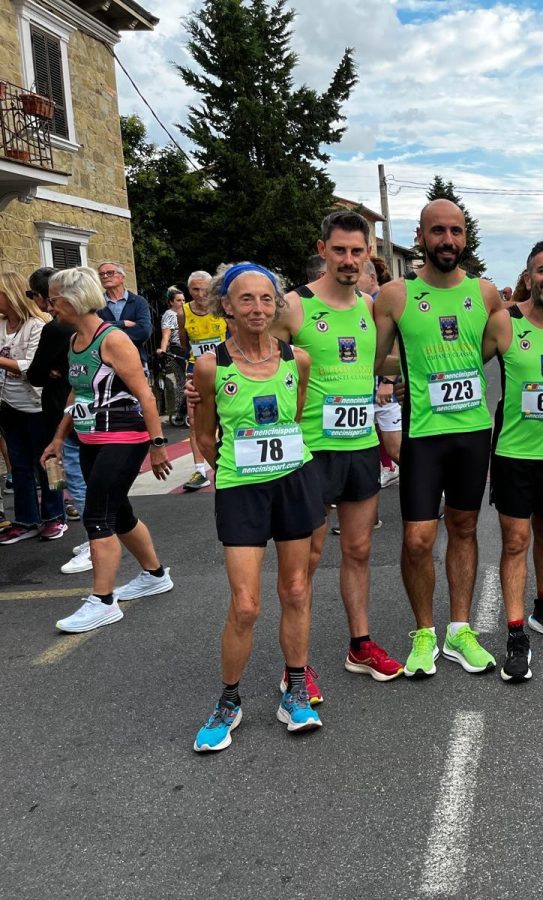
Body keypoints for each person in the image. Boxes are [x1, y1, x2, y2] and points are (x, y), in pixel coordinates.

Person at [191, 262, 325, 751]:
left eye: (266, 299)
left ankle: (295, 690)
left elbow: (295, 416)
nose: (258, 308)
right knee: (246, 605)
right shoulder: (210, 367)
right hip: (241, 490)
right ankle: (229, 700)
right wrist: (234, 470)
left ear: (277, 305)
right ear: (226, 305)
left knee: (296, 590)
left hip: (293, 481)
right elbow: (205, 436)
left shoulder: (297, 360)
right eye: (246, 299)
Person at [274, 210, 403, 693]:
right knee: (305, 561)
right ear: (322, 250)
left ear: (369, 252)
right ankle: (296, 668)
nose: (349, 260)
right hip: (309, 451)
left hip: (361, 446)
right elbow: (256, 362)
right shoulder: (294, 306)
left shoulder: (372, 307)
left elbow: (387, 360)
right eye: (340, 250)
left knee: (359, 549)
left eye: (357, 251)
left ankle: (360, 644)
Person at [374, 199, 501, 676]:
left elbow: (491, 350)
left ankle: (459, 630)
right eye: (438, 231)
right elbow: (375, 360)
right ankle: (424, 632)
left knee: (464, 528)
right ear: (421, 236)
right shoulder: (395, 294)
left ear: (465, 236)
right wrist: (409, 371)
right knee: (417, 539)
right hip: (423, 435)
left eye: (456, 231)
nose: (448, 240)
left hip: (472, 432)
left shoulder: (485, 293)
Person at [40, 267, 174, 633]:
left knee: (97, 516)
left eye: (54, 300)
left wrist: (158, 444)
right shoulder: (74, 341)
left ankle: (102, 601)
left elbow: (146, 394)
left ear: (73, 300)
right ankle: (155, 576)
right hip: (90, 440)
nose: (50, 306)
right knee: (121, 512)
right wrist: (58, 438)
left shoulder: (113, 340)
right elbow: (78, 392)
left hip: (123, 438)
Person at [480, 239, 543, 681]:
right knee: (516, 541)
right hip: (513, 452)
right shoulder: (505, 322)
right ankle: (516, 632)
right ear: (529, 277)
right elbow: (469, 365)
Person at [26, 266, 90, 566]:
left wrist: (52, 371)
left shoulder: (57, 330)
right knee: (83, 477)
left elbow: (36, 373)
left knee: (76, 477)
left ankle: (96, 540)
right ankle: (98, 536)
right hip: (82, 413)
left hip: (66, 412)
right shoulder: (91, 329)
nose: (48, 307)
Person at [0, 271, 65, 543]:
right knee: (19, 466)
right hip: (8, 404)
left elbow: (30, 366)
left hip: (37, 405)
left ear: (10, 294)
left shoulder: (37, 325)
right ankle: (27, 520)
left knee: (47, 463)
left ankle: (55, 516)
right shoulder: (1, 324)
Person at [180, 271, 225, 491]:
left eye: (204, 290)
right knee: (195, 420)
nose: (200, 294)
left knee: (224, 417)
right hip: (195, 370)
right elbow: (184, 342)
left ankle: (225, 464)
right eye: (195, 290)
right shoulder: (183, 312)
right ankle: (200, 470)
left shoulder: (222, 307)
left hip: (223, 368)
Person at [95, 262, 153, 363]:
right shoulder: (97, 304)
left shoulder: (138, 301)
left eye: (110, 273)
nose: (105, 276)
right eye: (101, 274)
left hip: (134, 359)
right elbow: (94, 330)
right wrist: (123, 323)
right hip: (105, 363)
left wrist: (108, 334)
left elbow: (144, 331)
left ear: (122, 277)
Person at [157, 287, 187, 426]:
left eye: (183, 300)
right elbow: (166, 335)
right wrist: (162, 350)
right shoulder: (169, 315)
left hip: (187, 349)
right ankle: (180, 412)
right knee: (183, 380)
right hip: (176, 350)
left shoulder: (186, 312)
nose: (182, 303)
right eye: (179, 300)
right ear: (171, 302)